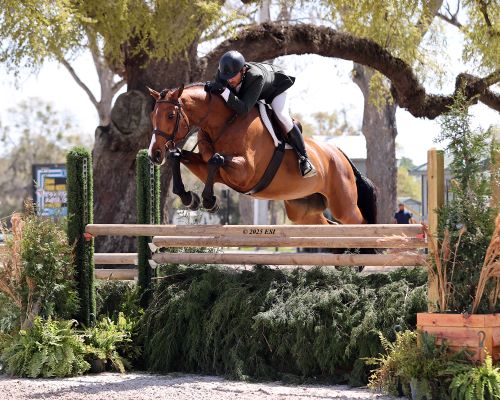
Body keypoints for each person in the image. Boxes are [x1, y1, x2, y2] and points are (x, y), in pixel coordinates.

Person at [204, 50, 317, 178]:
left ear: (243, 70)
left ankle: (304, 159)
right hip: (254, 90)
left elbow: (244, 109)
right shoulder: (224, 74)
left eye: (233, 76)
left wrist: (223, 91)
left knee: (282, 116)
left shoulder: (256, 77)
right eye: (226, 77)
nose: (229, 80)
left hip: (276, 88)